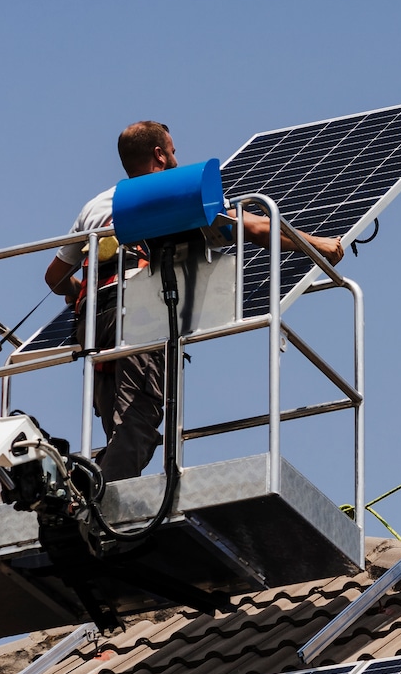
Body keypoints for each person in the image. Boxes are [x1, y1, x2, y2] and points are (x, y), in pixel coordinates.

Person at [46, 121, 344, 483]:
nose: (175, 157)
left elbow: (54, 277)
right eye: (172, 150)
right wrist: (320, 245)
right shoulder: (173, 191)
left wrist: (78, 291)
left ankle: (83, 490)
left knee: (120, 428)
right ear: (159, 154)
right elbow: (258, 227)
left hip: (95, 323)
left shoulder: (95, 205)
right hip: (139, 314)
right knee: (139, 423)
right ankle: (95, 501)